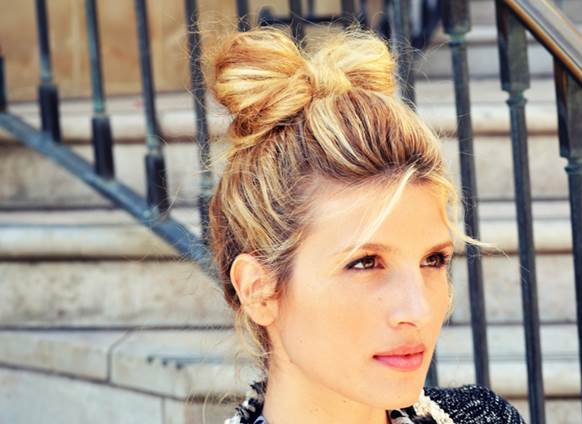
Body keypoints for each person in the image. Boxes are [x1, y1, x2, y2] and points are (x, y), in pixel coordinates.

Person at [207, 25, 525, 424]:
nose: (420, 310)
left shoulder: (484, 417)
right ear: (260, 290)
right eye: (365, 263)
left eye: (433, 260)